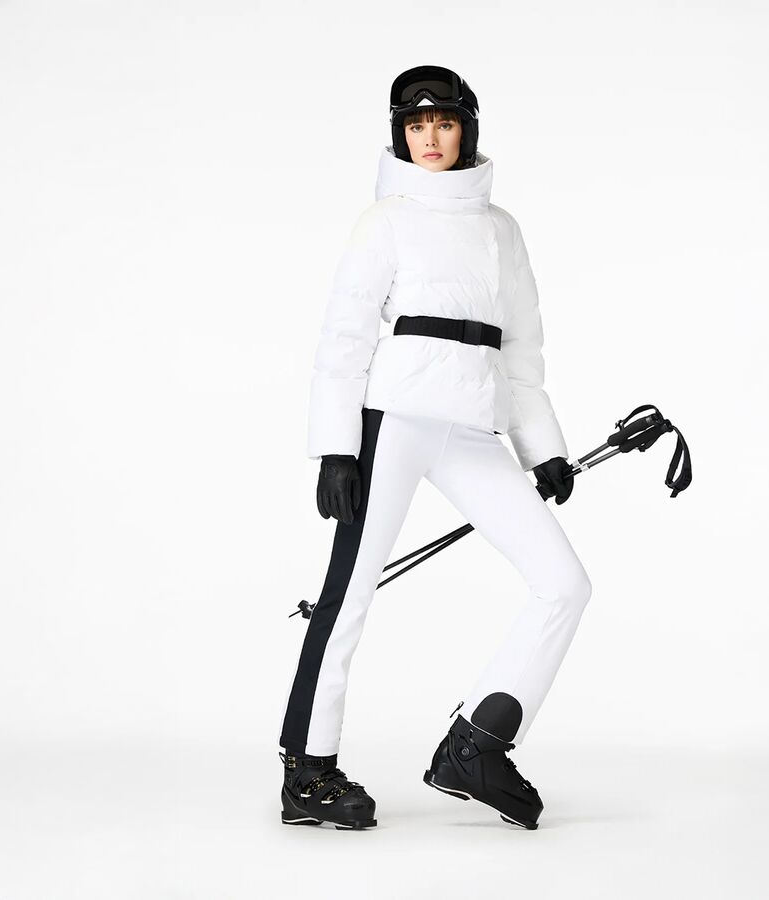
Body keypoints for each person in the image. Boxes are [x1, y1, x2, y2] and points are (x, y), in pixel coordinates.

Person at [278, 65, 592, 831]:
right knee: (350, 593)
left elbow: (521, 349)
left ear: (466, 130)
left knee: (563, 582)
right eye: (416, 125)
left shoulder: (501, 229)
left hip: (474, 425)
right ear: (400, 135)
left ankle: (476, 746)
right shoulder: (384, 220)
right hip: (396, 419)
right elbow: (345, 337)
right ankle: (307, 771)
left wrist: (543, 446)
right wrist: (337, 449)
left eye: (444, 123)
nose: (430, 138)